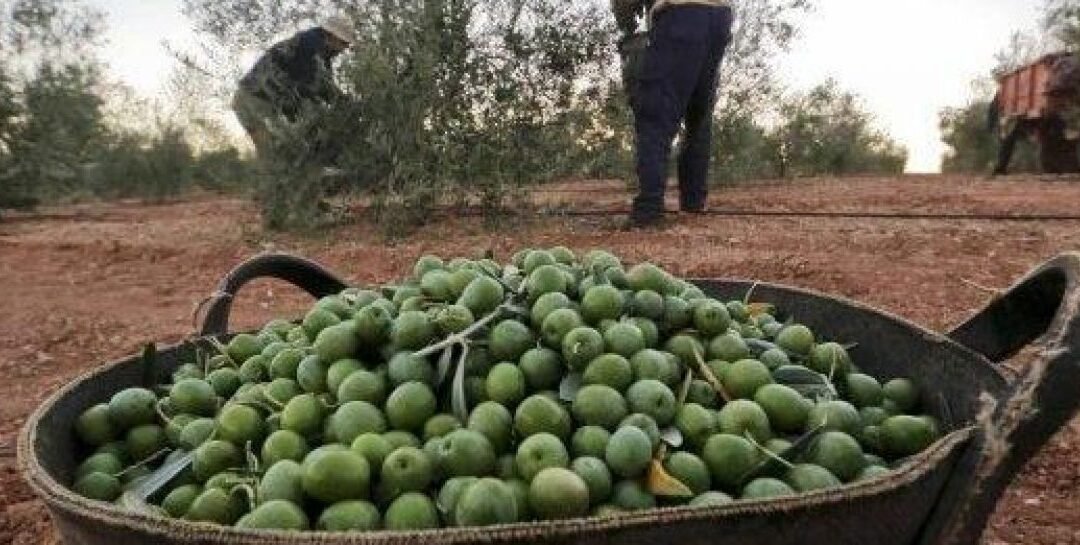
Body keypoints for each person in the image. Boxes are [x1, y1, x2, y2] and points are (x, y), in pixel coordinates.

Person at [612, 0, 734, 228]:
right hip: (720, 16)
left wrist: (627, 23)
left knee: (654, 115)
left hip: (681, 14)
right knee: (699, 113)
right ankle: (693, 204)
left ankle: (648, 211)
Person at [231, 17, 355, 159]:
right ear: (332, 36)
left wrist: (339, 99)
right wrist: (343, 101)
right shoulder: (310, 45)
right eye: (343, 43)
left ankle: (269, 177)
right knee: (276, 151)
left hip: (251, 98)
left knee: (272, 150)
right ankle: (274, 177)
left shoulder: (317, 51)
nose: (344, 48)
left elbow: (322, 84)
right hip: (255, 100)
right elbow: (319, 86)